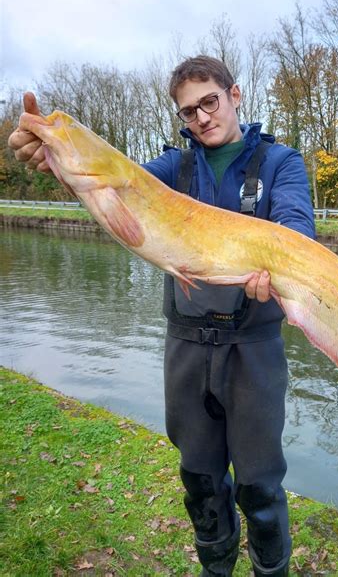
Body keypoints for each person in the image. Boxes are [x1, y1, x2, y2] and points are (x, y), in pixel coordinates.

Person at [8, 56, 316, 576]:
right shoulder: (172, 170)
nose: (202, 117)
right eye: (189, 110)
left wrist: (285, 266)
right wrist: (56, 156)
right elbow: (111, 186)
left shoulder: (281, 163)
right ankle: (215, 569)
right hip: (187, 349)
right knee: (199, 480)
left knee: (259, 485)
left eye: (210, 102)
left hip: (254, 350)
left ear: (234, 95)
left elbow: (296, 230)